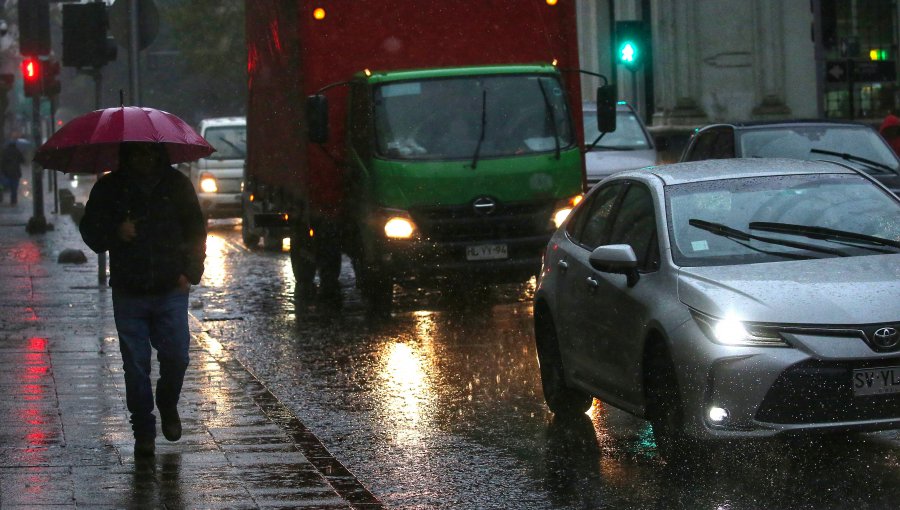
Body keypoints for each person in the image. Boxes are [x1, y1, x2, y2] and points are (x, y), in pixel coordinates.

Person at [79, 142, 206, 457]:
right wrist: (115, 231)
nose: (144, 160)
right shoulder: (110, 188)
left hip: (170, 289)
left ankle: (167, 403)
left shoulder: (177, 185)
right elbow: (91, 232)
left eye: (149, 153)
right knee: (135, 366)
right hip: (129, 291)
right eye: (137, 154)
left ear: (159, 153)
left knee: (177, 357)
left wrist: (189, 272)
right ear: (126, 155)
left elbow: (196, 229)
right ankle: (143, 430)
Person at [0, 131, 25, 205]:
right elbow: (23, 161)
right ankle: (13, 201)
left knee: (3, 186)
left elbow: (2, 162)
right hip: (16, 173)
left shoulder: (5, 152)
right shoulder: (17, 151)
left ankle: (1, 197)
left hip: (6, 173)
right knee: (14, 189)